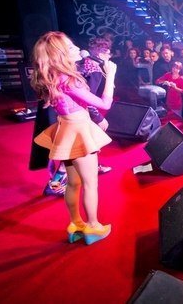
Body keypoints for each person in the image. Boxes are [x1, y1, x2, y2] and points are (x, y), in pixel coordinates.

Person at [31, 31, 116, 245]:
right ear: (60, 55)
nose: (78, 48)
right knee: (90, 183)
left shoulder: (54, 76)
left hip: (66, 127)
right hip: (78, 130)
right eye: (71, 47)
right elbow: (104, 103)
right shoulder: (68, 81)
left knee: (74, 183)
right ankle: (93, 227)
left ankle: (75, 224)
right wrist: (111, 75)